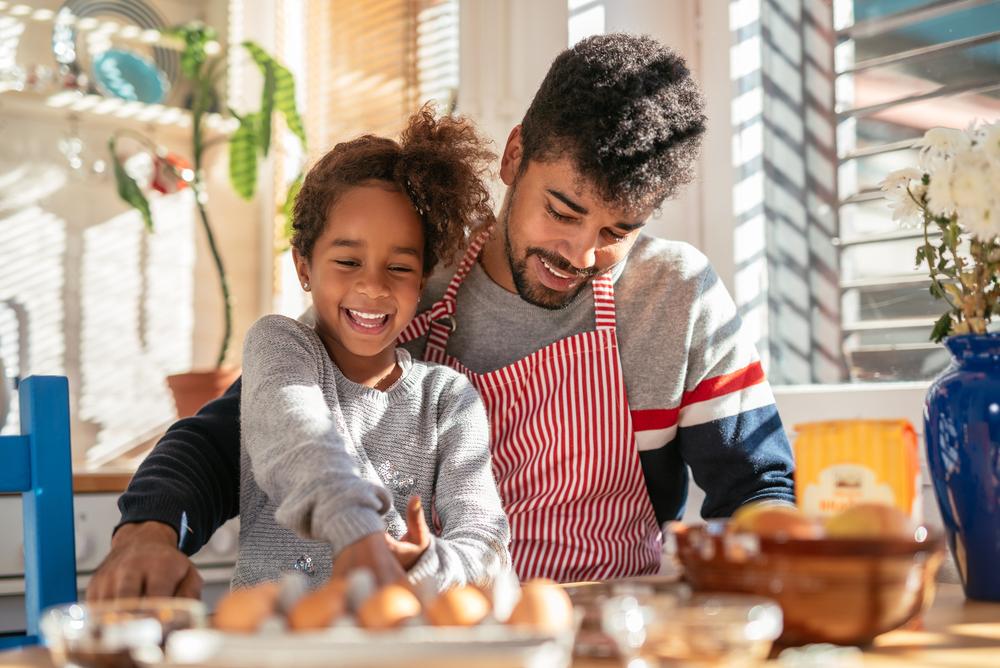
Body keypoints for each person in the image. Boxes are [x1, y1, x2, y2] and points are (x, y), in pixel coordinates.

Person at [88, 33, 795, 599]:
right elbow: (238, 431)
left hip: (614, 633)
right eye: (563, 210)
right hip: (442, 635)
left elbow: (758, 490)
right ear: (514, 155)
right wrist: (149, 531)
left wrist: (777, 565)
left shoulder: (675, 297)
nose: (578, 253)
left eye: (616, 232)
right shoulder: (405, 281)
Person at [231, 107, 509, 592]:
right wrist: (356, 529)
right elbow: (298, 437)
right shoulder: (279, 347)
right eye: (347, 260)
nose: (374, 286)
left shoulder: (447, 398)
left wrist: (427, 561)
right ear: (304, 267)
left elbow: (486, 544)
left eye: (399, 268)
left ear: (422, 279)